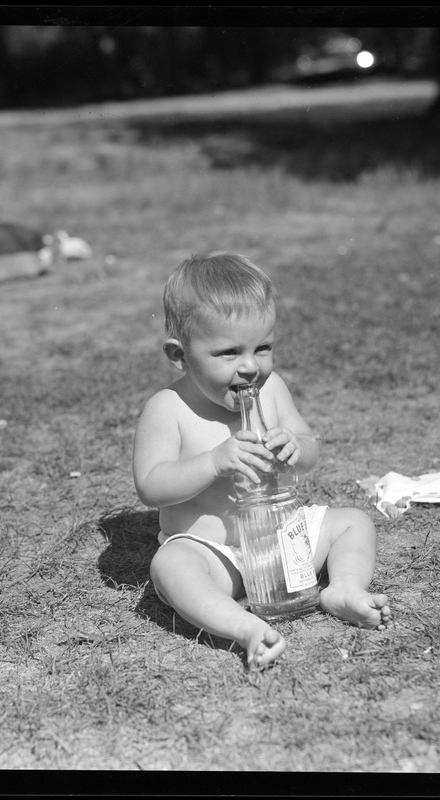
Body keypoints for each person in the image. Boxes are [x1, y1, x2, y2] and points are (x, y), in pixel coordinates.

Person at [132, 252, 392, 669]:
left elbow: (310, 450)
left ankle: (343, 588)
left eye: (263, 347)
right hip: (217, 557)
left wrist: (296, 446)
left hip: (282, 543)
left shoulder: (272, 390)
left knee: (353, 522)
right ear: (179, 355)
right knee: (171, 565)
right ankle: (244, 627)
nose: (250, 366)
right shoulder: (169, 408)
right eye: (229, 353)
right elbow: (151, 485)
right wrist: (213, 462)